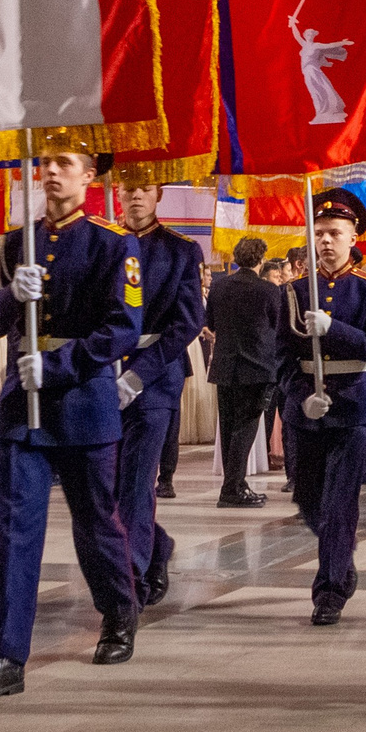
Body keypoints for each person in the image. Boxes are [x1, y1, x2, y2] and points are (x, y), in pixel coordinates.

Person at [0, 148, 144, 701]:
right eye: (47, 162)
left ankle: (119, 611)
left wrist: (58, 365)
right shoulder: (16, 243)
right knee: (15, 534)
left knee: (95, 525)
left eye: (66, 162)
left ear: (90, 176)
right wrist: (13, 296)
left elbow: (124, 327)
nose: (53, 171)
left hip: (82, 399)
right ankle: (5, 656)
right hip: (24, 410)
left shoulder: (113, 241)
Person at [280, 186, 366, 625]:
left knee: (339, 502)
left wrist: (334, 328)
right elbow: (281, 354)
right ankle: (341, 558)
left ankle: (328, 591)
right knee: (309, 500)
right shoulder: (293, 291)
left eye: (334, 233)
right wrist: (298, 393)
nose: (325, 241)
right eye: (319, 233)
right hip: (306, 409)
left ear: (353, 238)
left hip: (353, 408)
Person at [109, 181, 205, 606]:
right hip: (102, 372)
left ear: (158, 195)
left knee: (135, 480)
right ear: (116, 192)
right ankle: (157, 545)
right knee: (106, 486)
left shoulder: (180, 250)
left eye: (144, 188)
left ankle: (133, 573)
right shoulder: (103, 242)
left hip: (154, 377)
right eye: (128, 188)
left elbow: (187, 323)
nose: (135, 196)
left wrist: (139, 375)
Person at [204, 235, 278, 508]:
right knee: (245, 428)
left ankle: (235, 483)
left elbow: (210, 322)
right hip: (256, 366)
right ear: (261, 259)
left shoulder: (219, 287)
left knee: (228, 427)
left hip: (225, 365)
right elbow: (276, 325)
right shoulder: (269, 290)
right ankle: (231, 488)